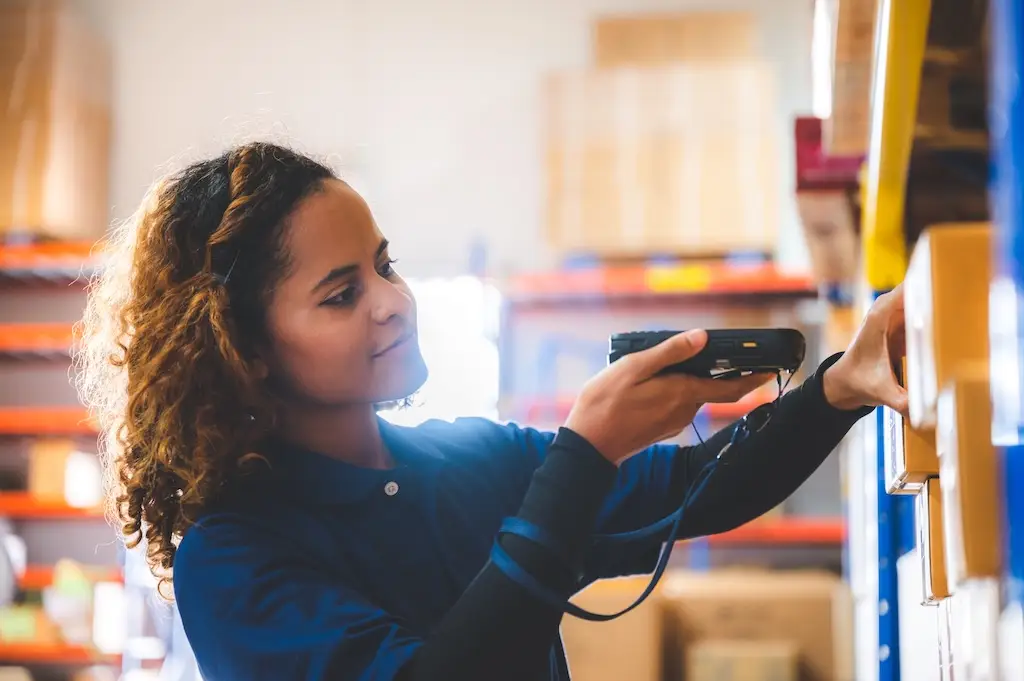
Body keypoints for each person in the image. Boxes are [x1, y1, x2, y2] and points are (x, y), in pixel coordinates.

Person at [75, 142, 908, 681]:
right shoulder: (233, 562)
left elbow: (691, 488)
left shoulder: (470, 459)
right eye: (340, 294)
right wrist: (583, 455)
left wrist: (841, 387)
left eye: (384, 265)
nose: (393, 302)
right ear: (242, 348)